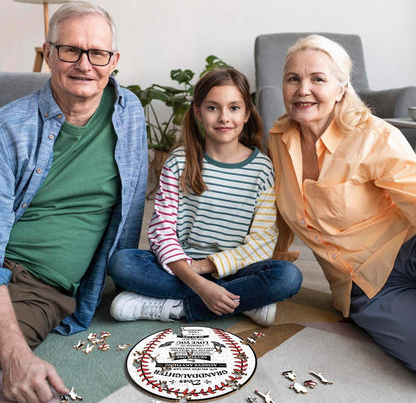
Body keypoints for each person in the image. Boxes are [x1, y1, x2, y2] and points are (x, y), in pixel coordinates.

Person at [0, 1, 147, 403]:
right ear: (48, 54)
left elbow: (131, 209)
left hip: (38, 287)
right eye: (71, 50)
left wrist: (119, 279)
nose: (85, 64)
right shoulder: (9, 128)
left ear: (114, 60)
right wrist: (16, 358)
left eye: (97, 53)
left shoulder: (129, 110)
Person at [108, 68, 302, 327]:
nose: (224, 117)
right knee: (122, 264)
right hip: (180, 266)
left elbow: (262, 243)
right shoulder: (179, 163)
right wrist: (197, 281)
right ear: (198, 112)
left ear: (246, 114)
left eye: (234, 108)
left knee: (287, 276)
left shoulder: (262, 169)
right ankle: (240, 302)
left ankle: (176, 308)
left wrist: (204, 268)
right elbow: (161, 233)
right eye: (213, 108)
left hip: (234, 269)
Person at [268, 34, 416, 370]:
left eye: (317, 79)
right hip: (361, 285)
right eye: (293, 79)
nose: (302, 89)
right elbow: (279, 211)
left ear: (341, 89)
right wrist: (272, 265)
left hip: (408, 250)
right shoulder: (278, 139)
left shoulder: (372, 136)